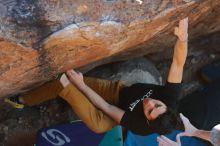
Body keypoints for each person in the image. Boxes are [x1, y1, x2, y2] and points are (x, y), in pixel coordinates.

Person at [5, 18, 188, 135]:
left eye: (149, 111)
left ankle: (68, 91)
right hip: (116, 92)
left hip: (112, 111)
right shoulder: (170, 97)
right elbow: (178, 63)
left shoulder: (141, 127)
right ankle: (23, 100)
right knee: (61, 84)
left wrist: (81, 85)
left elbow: (106, 107)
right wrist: (182, 38)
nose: (149, 103)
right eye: (157, 104)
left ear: (148, 120)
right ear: (165, 105)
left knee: (98, 125)